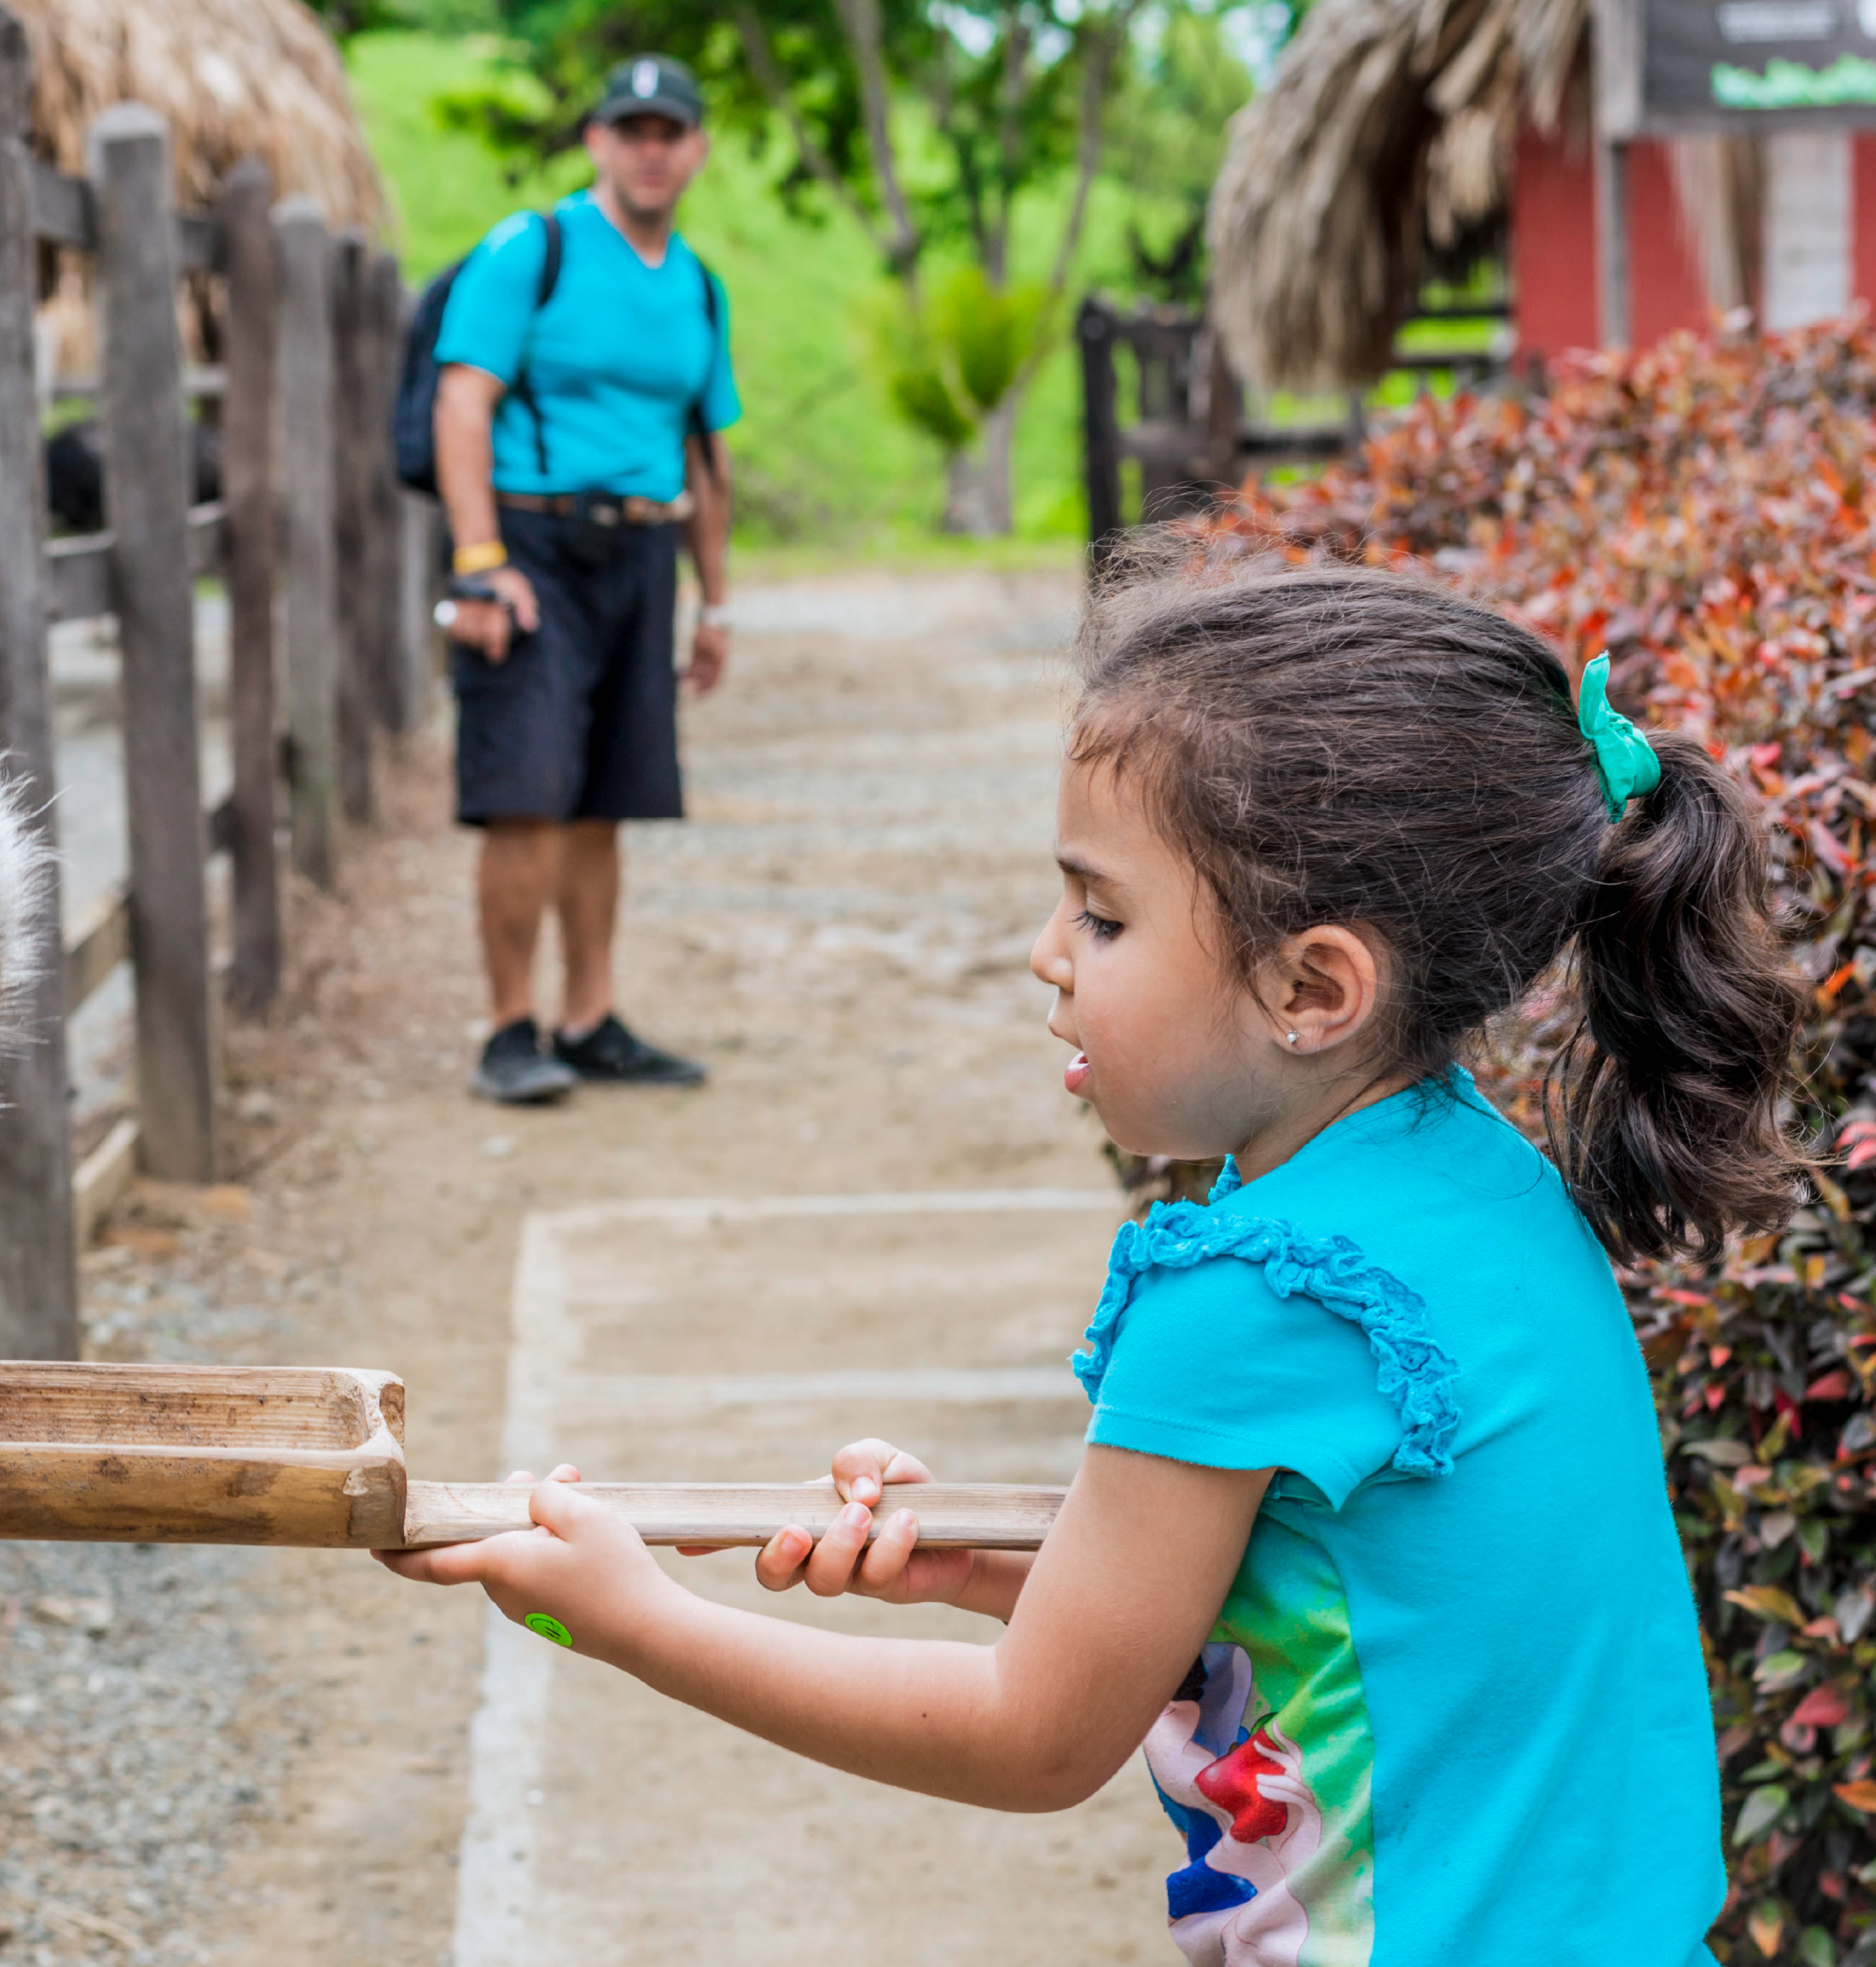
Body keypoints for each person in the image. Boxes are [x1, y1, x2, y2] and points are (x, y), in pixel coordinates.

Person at [383, 567, 1800, 1959]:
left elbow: (1036, 1733)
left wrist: (633, 1618)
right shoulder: (1472, 1176)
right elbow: (1358, 1606)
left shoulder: (1258, 1290)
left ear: (1313, 988)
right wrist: (1001, 1568)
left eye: (1101, 915)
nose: (1042, 953)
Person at [432, 53, 739, 1106]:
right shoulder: (534, 249)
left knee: (606, 800)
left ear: (695, 149)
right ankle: (509, 1029)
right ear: (596, 142)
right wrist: (479, 565)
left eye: (671, 131)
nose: (652, 149)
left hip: (643, 554)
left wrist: (716, 603)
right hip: (531, 548)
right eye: (632, 129)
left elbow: (707, 456)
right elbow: (461, 402)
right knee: (526, 796)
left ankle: (590, 1018)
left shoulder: (697, 285)